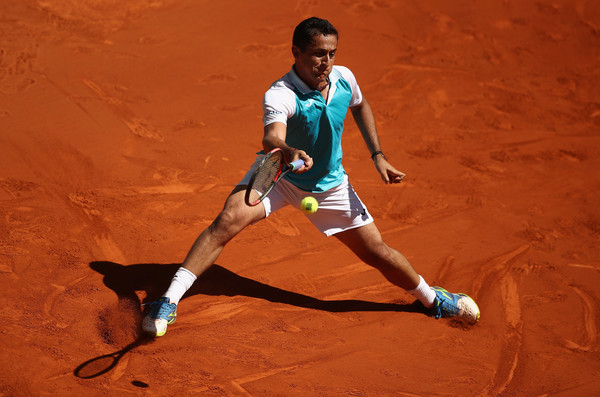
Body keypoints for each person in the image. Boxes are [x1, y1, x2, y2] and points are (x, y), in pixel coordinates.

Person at [142, 17, 480, 337]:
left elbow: (360, 106)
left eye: (332, 53)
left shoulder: (345, 78)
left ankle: (433, 300)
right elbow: (271, 137)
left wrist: (378, 155)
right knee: (227, 220)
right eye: (319, 53)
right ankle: (166, 301)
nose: (327, 61)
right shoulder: (280, 93)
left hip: (330, 187)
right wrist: (287, 150)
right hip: (279, 175)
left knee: (377, 252)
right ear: (297, 53)